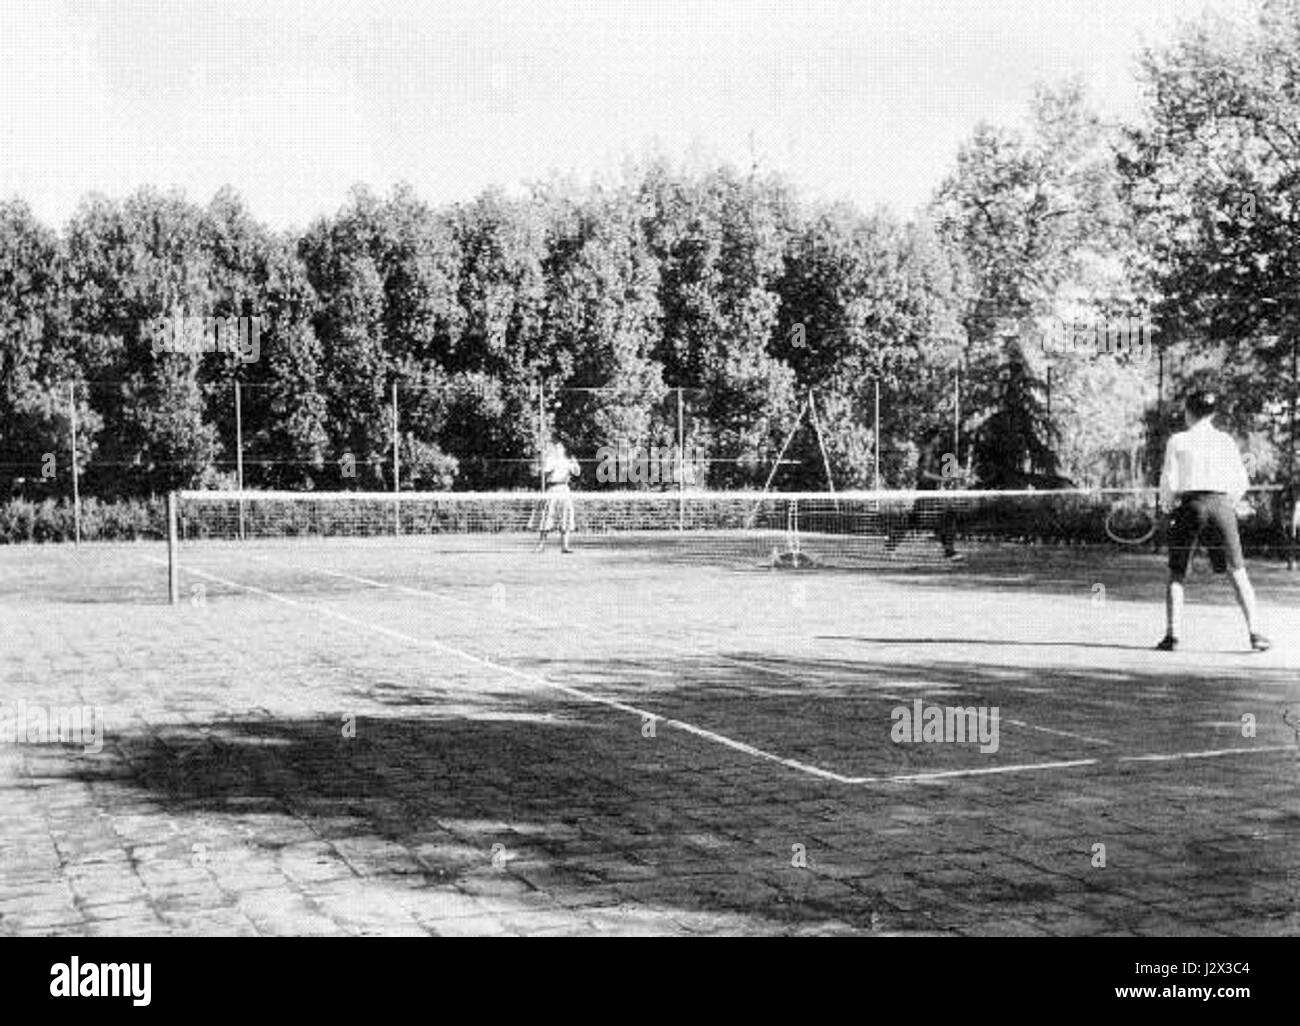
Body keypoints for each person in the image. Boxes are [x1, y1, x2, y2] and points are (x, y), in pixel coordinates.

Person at [1155, 390, 1270, 652]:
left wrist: (1167, 505)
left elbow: (1168, 480)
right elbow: (1241, 480)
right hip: (1220, 504)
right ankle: (1255, 632)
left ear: (1188, 412)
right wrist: (1226, 502)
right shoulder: (1225, 441)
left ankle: (1172, 635)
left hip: (1190, 505)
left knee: (1177, 573)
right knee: (1237, 571)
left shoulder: (1178, 440)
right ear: (1213, 413)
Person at [537, 440, 581, 553]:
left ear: (563, 450)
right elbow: (545, 470)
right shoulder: (550, 460)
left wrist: (575, 464)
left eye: (560, 448)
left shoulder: (568, 461)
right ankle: (541, 546)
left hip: (564, 489)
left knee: (565, 517)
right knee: (546, 517)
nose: (558, 450)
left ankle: (565, 547)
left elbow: (577, 472)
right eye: (556, 448)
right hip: (552, 489)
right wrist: (546, 458)